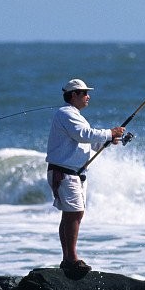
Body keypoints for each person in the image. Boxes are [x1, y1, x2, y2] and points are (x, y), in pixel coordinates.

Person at [46, 79, 125, 274]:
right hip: (64, 172)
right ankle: (71, 259)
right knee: (74, 214)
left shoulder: (75, 115)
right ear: (73, 95)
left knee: (71, 214)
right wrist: (109, 132)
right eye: (84, 93)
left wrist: (107, 140)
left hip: (73, 173)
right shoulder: (66, 114)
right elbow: (84, 134)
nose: (88, 96)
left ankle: (67, 258)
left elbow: (85, 142)